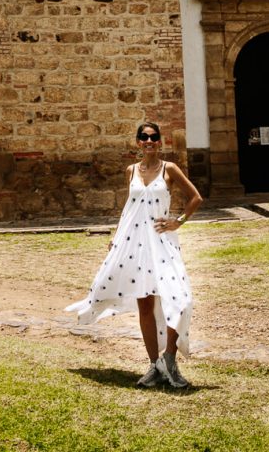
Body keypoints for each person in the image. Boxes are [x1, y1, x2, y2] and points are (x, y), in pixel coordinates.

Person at [66, 121, 202, 388]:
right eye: (144, 137)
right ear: (138, 142)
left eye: (153, 137)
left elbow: (195, 197)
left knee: (181, 298)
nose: (149, 141)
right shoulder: (131, 171)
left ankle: (170, 359)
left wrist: (179, 221)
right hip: (135, 244)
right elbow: (129, 209)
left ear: (160, 141)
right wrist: (116, 237)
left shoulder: (169, 169)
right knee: (145, 304)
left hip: (162, 242)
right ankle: (154, 365)